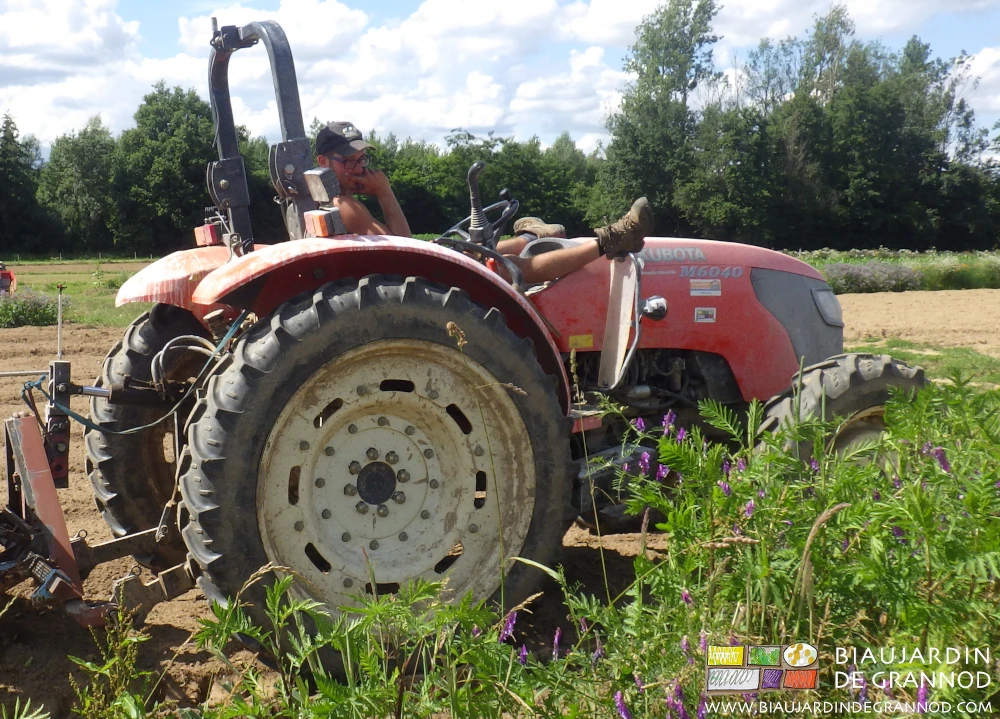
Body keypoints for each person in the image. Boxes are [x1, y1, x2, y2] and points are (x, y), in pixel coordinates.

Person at [314, 121, 652, 284]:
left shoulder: (321, 202)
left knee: (473, 250)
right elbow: (402, 248)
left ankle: (531, 237)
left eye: (361, 159)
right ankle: (611, 240)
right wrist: (385, 192)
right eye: (349, 161)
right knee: (511, 270)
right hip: (405, 281)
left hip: (391, 278)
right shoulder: (344, 206)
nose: (359, 168)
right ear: (324, 161)